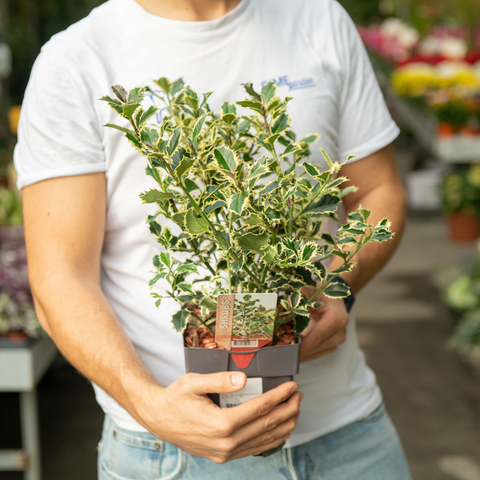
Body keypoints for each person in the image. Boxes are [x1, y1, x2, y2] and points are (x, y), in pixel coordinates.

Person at [15, 0, 410, 478]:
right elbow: (60, 275)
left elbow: (379, 190)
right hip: (168, 453)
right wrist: (151, 406)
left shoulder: (318, 18)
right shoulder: (76, 60)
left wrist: (336, 285)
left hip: (350, 439)